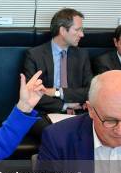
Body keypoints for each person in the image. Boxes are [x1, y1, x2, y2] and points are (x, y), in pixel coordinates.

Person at [23, 8, 92, 136]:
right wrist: (65, 105)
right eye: (77, 30)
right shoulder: (35, 55)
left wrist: (57, 92)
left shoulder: (82, 55)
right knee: (57, 135)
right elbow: (32, 94)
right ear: (62, 30)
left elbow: (90, 91)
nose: (82, 35)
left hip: (78, 114)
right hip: (44, 114)